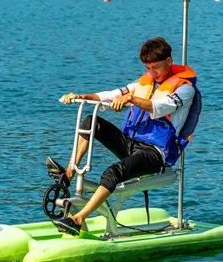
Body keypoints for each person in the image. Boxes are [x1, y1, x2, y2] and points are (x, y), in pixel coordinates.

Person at [46, 37, 199, 236]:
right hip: (130, 144)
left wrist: (131, 99)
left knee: (113, 172)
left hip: (155, 153)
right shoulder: (143, 83)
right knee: (91, 121)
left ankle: (78, 219)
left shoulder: (184, 89)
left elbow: (158, 107)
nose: (152, 72)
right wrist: (80, 96)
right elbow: (109, 95)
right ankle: (69, 173)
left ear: (169, 61)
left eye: (156, 67)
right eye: (148, 68)